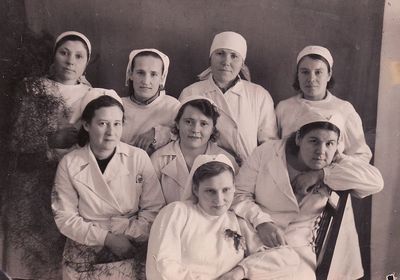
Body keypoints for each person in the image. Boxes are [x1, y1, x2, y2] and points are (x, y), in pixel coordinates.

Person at [231, 110, 384, 279]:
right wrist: (262, 222)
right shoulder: (266, 152)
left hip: (297, 248)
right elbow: (239, 194)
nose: (321, 151)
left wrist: (321, 175)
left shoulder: (334, 161)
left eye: (329, 143)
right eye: (313, 141)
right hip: (253, 232)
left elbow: (376, 182)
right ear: (298, 139)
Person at [1, 31, 92, 279]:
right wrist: (49, 142)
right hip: (32, 183)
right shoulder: (32, 88)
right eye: (64, 53)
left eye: (78, 56)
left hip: (73, 183)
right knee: (29, 256)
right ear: (54, 56)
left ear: (86, 63)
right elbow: (14, 141)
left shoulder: (92, 95)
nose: (70, 61)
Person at [52, 88, 165, 279]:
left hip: (131, 243)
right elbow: (65, 218)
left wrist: (126, 234)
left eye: (117, 124)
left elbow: (154, 210)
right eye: (103, 123)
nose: (111, 132)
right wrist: (107, 239)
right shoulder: (70, 163)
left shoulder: (138, 158)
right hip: (84, 246)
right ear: (87, 125)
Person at [147, 154, 300, 280]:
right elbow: (162, 268)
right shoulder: (177, 212)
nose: (219, 200)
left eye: (225, 190)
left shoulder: (237, 221)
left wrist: (240, 271)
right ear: (195, 189)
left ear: (234, 188)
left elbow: (288, 257)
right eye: (210, 191)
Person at [179, 31, 277, 164]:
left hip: (247, 171)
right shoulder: (191, 92)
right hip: (203, 170)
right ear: (210, 58)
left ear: (242, 63)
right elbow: (178, 134)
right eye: (220, 54)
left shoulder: (259, 95)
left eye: (234, 56)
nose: (226, 62)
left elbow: (269, 146)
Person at [275, 45, 372, 162]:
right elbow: (273, 151)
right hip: (288, 178)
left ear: (329, 75)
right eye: (305, 72)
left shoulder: (343, 109)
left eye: (318, 72)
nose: (311, 78)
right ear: (298, 75)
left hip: (331, 178)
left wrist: (324, 173)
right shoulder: (284, 107)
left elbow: (362, 156)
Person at [150, 96, 238, 204]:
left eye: (204, 124)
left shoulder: (226, 160)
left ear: (213, 129)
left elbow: (233, 202)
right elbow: (152, 205)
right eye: (188, 122)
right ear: (177, 124)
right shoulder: (158, 159)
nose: (195, 129)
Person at [121, 48, 180, 154]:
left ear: (162, 78)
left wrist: (159, 132)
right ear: (130, 74)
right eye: (140, 73)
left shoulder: (173, 107)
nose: (146, 81)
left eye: (153, 74)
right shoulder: (118, 105)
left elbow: (185, 136)